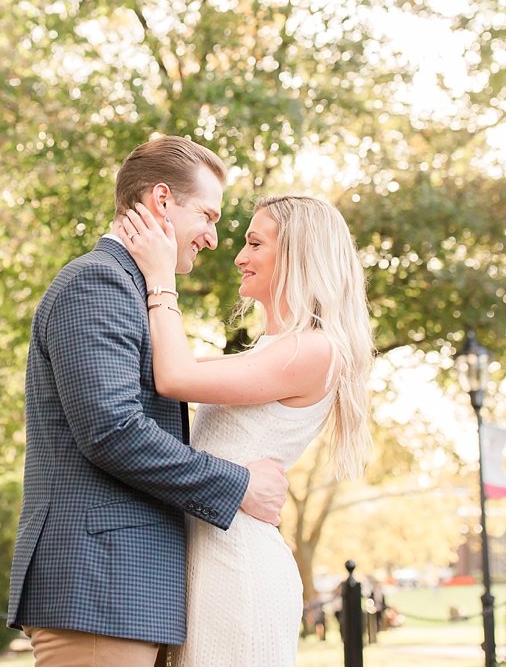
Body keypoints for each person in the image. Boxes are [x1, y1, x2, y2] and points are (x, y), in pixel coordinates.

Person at [8, 136, 289, 667]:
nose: (211, 238)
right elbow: (113, 431)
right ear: (162, 200)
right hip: (98, 583)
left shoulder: (130, 289)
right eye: (207, 216)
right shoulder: (97, 283)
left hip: (124, 588)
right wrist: (241, 484)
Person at [117, 193, 375, 667]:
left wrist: (160, 279)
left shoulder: (314, 350)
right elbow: (166, 368)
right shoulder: (272, 350)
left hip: (237, 570)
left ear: (298, 254)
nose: (239, 257)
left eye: (255, 244)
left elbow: (175, 377)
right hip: (209, 560)